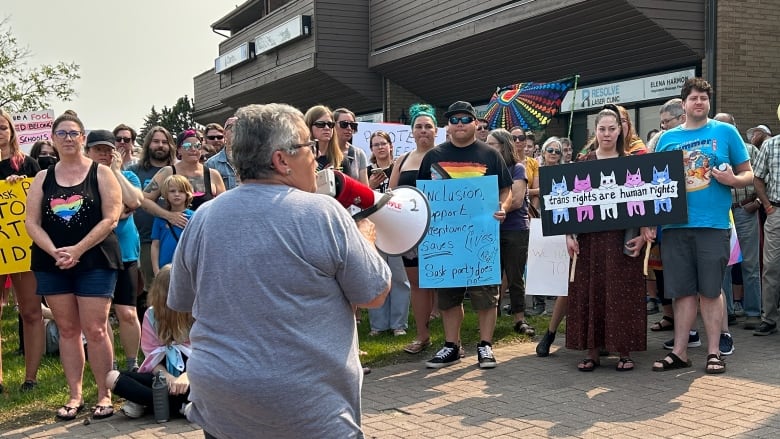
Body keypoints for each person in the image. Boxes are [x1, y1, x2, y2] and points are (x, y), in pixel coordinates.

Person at [167, 103, 391, 438]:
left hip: (222, 404)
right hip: (306, 408)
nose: (316, 157)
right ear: (281, 160)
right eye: (308, 147)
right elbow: (375, 295)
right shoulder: (323, 213)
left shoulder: (203, 218)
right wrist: (367, 234)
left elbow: (182, 301)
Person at [25, 110, 123, 420]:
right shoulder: (43, 177)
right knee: (67, 329)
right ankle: (75, 394)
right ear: (52, 139)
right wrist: (55, 252)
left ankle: (105, 394)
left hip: (95, 259)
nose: (68, 138)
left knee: (95, 329)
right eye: (62, 133)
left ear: (83, 138)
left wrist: (78, 249)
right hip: (52, 262)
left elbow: (112, 216)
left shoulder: (101, 173)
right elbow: (31, 222)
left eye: (74, 133)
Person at [653, 77, 752, 374]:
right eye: (694, 98)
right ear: (683, 104)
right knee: (682, 291)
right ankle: (680, 352)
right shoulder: (667, 139)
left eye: (704, 98)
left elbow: (748, 174)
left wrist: (733, 180)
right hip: (674, 226)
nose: (699, 102)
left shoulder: (726, 132)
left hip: (713, 224)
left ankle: (713, 352)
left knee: (710, 290)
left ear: (709, 103)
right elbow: (655, 185)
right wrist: (650, 224)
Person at [417, 101, 513, 369]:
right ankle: (452, 346)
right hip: (446, 238)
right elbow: (423, 196)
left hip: (482, 236)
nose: (459, 124)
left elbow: (506, 190)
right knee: (448, 296)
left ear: (475, 123)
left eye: (465, 119)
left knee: (485, 295)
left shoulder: (490, 155)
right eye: (454, 120)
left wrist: (502, 208)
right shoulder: (433, 157)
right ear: (447, 125)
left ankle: (485, 346)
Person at [565, 105, 653, 372]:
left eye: (611, 129)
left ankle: (624, 351)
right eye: (602, 129)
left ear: (621, 130)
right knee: (591, 291)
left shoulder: (633, 164)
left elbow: (645, 201)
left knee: (624, 292)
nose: (606, 134)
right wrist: (569, 236)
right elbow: (569, 204)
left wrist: (643, 233)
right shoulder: (582, 164)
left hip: (622, 239)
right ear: (595, 131)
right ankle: (592, 352)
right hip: (590, 241)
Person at [84, 130, 145, 372]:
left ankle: (132, 365)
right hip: (96, 254)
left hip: (126, 252)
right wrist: (118, 212)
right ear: (87, 151)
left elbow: (135, 201)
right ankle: (110, 363)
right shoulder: (82, 181)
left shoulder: (128, 175)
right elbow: (97, 216)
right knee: (101, 315)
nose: (104, 154)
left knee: (127, 312)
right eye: (98, 149)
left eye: (108, 150)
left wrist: (117, 173)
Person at [106, 264, 192, 419]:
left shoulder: (195, 312)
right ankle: (180, 405)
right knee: (112, 377)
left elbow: (205, 355)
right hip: (161, 376)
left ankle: (146, 401)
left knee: (209, 384)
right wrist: (169, 378)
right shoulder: (151, 315)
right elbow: (151, 356)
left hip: (193, 374)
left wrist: (187, 376)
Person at [0, 108, 45, 392]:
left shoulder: (27, 164)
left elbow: (43, 201)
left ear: (11, 130)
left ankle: (30, 377)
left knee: (30, 311)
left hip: (22, 248)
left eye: (2, 127)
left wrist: (22, 189)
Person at [388, 103, 439, 355]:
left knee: (444, 285)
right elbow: (391, 195)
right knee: (417, 285)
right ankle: (423, 335)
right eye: (418, 126)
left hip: (442, 230)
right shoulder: (402, 160)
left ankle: (454, 340)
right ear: (412, 131)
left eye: (428, 126)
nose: (423, 130)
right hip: (412, 233)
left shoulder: (445, 157)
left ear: (436, 130)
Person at [486, 129, 533, 335]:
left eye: (492, 144)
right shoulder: (486, 170)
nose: (487, 147)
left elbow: (516, 199)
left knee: (514, 275)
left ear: (503, 146)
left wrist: (491, 207)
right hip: (491, 228)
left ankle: (519, 319)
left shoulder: (518, 168)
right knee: (492, 276)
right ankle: (490, 319)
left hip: (514, 229)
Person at [127, 126, 177, 321]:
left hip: (173, 237)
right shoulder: (134, 171)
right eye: (156, 141)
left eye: (165, 142)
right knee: (152, 287)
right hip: (145, 237)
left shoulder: (176, 170)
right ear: (148, 144)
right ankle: (153, 333)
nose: (160, 145)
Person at [366, 131, 411, 336]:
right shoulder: (366, 171)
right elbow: (359, 200)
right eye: (376, 145)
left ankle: (399, 324)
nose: (380, 147)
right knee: (376, 276)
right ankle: (378, 325)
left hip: (395, 228)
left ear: (391, 146)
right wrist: (371, 185)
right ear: (372, 149)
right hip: (373, 229)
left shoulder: (398, 168)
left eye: (383, 143)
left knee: (399, 277)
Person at [142, 129, 225, 219]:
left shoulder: (213, 174)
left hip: (204, 229)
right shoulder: (167, 172)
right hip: (177, 230)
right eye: (187, 146)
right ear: (179, 150)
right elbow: (144, 199)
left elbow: (224, 206)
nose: (193, 149)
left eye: (197, 146)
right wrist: (168, 216)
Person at [753, 121, 780, 336]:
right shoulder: (770, 146)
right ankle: (768, 319)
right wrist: (768, 206)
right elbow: (757, 178)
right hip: (776, 211)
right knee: (771, 266)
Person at [151, 175, 194, 275]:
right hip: (164, 268)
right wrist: (156, 269)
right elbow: (155, 245)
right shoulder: (160, 218)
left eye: (181, 191)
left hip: (187, 268)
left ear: (187, 194)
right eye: (172, 191)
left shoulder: (194, 217)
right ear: (166, 194)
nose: (177, 194)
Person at [305, 105, 348, 173]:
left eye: (330, 124)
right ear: (309, 127)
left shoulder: (341, 160)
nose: (327, 128)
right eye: (320, 124)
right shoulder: (302, 158)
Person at [333, 108, 369, 184]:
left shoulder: (359, 154)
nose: (349, 128)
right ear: (333, 125)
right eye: (344, 124)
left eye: (352, 125)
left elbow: (365, 187)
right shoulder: (322, 151)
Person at [205, 117, 238, 190]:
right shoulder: (211, 163)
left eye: (241, 128)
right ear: (225, 133)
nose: (236, 131)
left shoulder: (254, 160)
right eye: (231, 128)